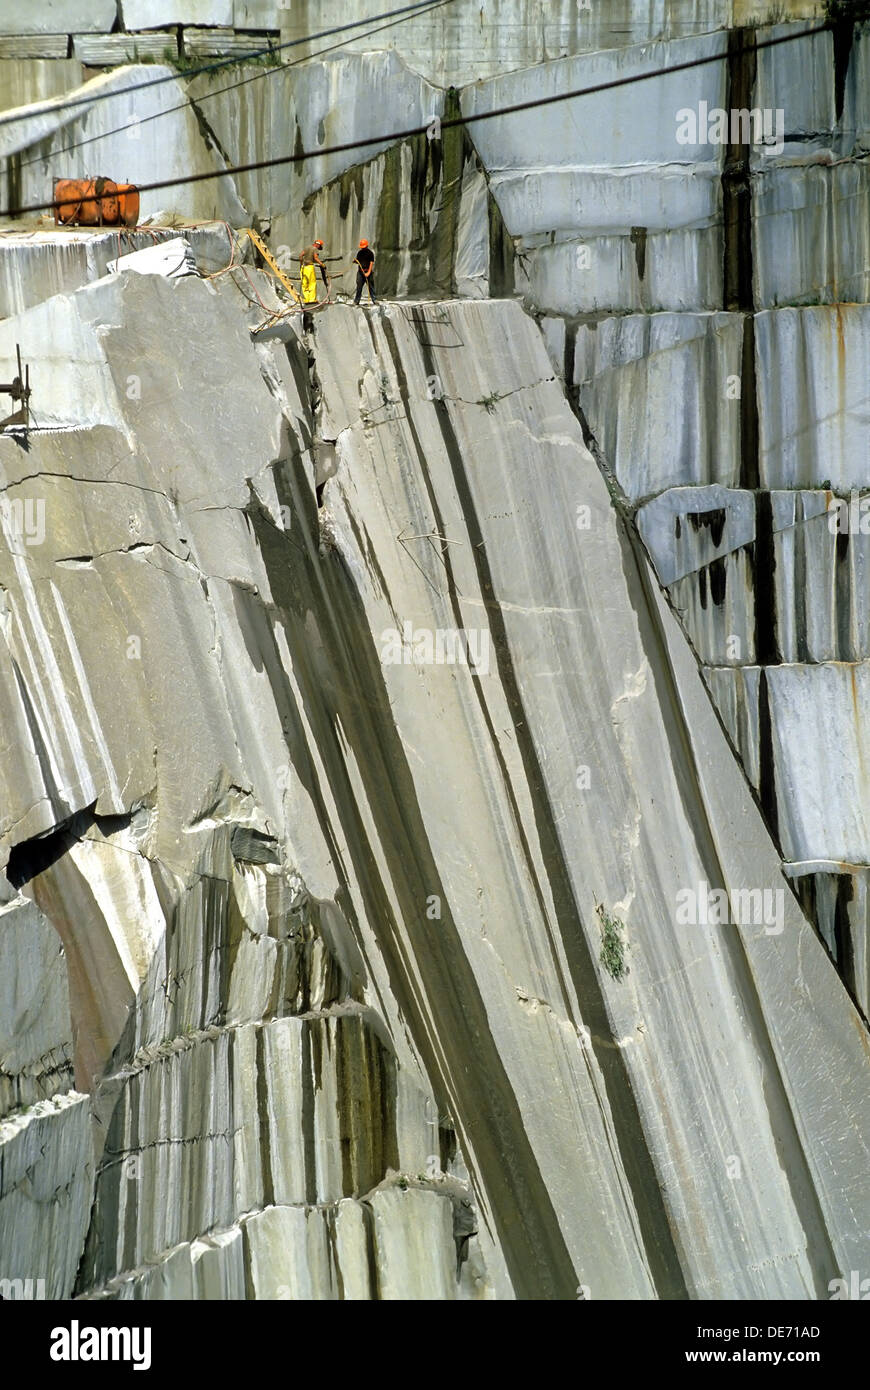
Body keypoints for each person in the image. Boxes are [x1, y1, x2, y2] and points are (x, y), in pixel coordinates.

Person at [299, 239, 327, 303]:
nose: (319, 248)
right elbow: (316, 258)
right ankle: (311, 299)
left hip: (304, 267)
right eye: (319, 246)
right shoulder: (314, 249)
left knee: (305, 284)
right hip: (310, 267)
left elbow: (300, 256)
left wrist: (301, 264)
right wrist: (322, 264)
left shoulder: (307, 247)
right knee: (312, 283)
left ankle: (306, 299)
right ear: (318, 244)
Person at [353, 239, 376, 305]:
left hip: (368, 271)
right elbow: (358, 261)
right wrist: (355, 261)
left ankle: (374, 300)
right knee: (359, 287)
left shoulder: (370, 253)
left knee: (371, 286)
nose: (363, 248)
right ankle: (356, 301)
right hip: (361, 272)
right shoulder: (359, 253)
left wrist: (368, 272)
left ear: (366, 246)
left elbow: (371, 263)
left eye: (364, 247)